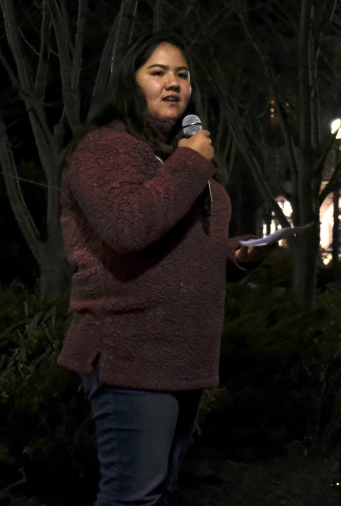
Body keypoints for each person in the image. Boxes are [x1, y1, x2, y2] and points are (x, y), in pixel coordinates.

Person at [57, 32, 273, 505]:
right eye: (157, 72)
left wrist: (232, 254)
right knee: (132, 497)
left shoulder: (176, 156)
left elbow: (178, 245)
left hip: (182, 353)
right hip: (130, 350)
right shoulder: (105, 149)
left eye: (182, 74)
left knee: (162, 493)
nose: (173, 83)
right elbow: (128, 227)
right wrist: (191, 164)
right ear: (130, 84)